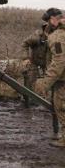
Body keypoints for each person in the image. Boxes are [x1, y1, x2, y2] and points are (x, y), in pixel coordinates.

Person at [35, 8, 65, 147]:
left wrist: (45, 82)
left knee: (61, 106)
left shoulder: (57, 36)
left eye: (48, 21)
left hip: (62, 79)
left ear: (53, 19)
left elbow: (59, 61)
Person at [21, 22, 50, 107]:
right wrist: (25, 58)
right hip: (34, 61)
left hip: (49, 63)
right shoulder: (36, 37)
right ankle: (27, 100)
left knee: (53, 80)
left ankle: (50, 102)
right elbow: (24, 44)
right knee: (29, 79)